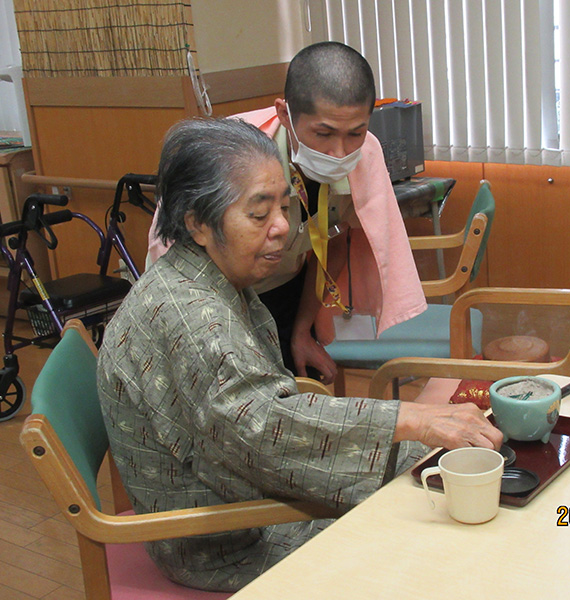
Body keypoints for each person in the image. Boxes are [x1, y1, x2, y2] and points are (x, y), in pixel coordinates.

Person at [99, 117, 503, 592]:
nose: (283, 228)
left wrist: (416, 433)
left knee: (427, 470)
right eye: (258, 214)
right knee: (425, 535)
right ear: (198, 223)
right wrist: (413, 420)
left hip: (235, 484)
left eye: (286, 208)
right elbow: (268, 431)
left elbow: (258, 418)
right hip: (221, 538)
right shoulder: (196, 320)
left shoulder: (200, 277)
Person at [147, 42, 426, 383]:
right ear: (284, 114)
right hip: (214, 300)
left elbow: (336, 239)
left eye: (355, 132)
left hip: (287, 290)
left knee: (296, 385)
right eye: (323, 133)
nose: (339, 152)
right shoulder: (229, 159)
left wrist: (302, 330)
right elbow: (188, 269)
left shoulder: (363, 153)